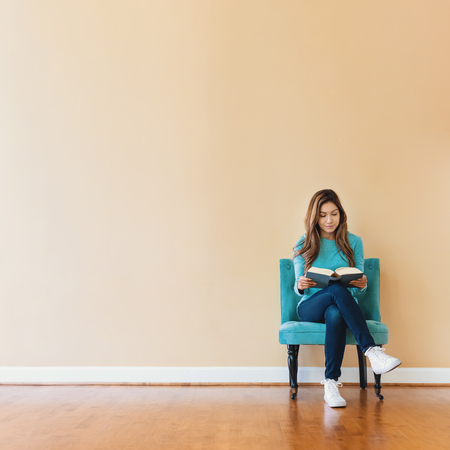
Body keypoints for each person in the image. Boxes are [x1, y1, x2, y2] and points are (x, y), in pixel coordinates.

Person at [293, 189, 401, 408]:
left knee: (335, 310)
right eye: (323, 215)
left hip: (340, 308)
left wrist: (362, 284)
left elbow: (357, 281)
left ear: (341, 214)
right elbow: (298, 286)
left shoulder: (354, 242)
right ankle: (372, 351)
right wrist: (301, 285)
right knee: (335, 291)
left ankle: (331, 384)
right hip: (310, 307)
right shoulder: (303, 243)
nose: (329, 220)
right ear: (315, 217)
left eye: (334, 213)